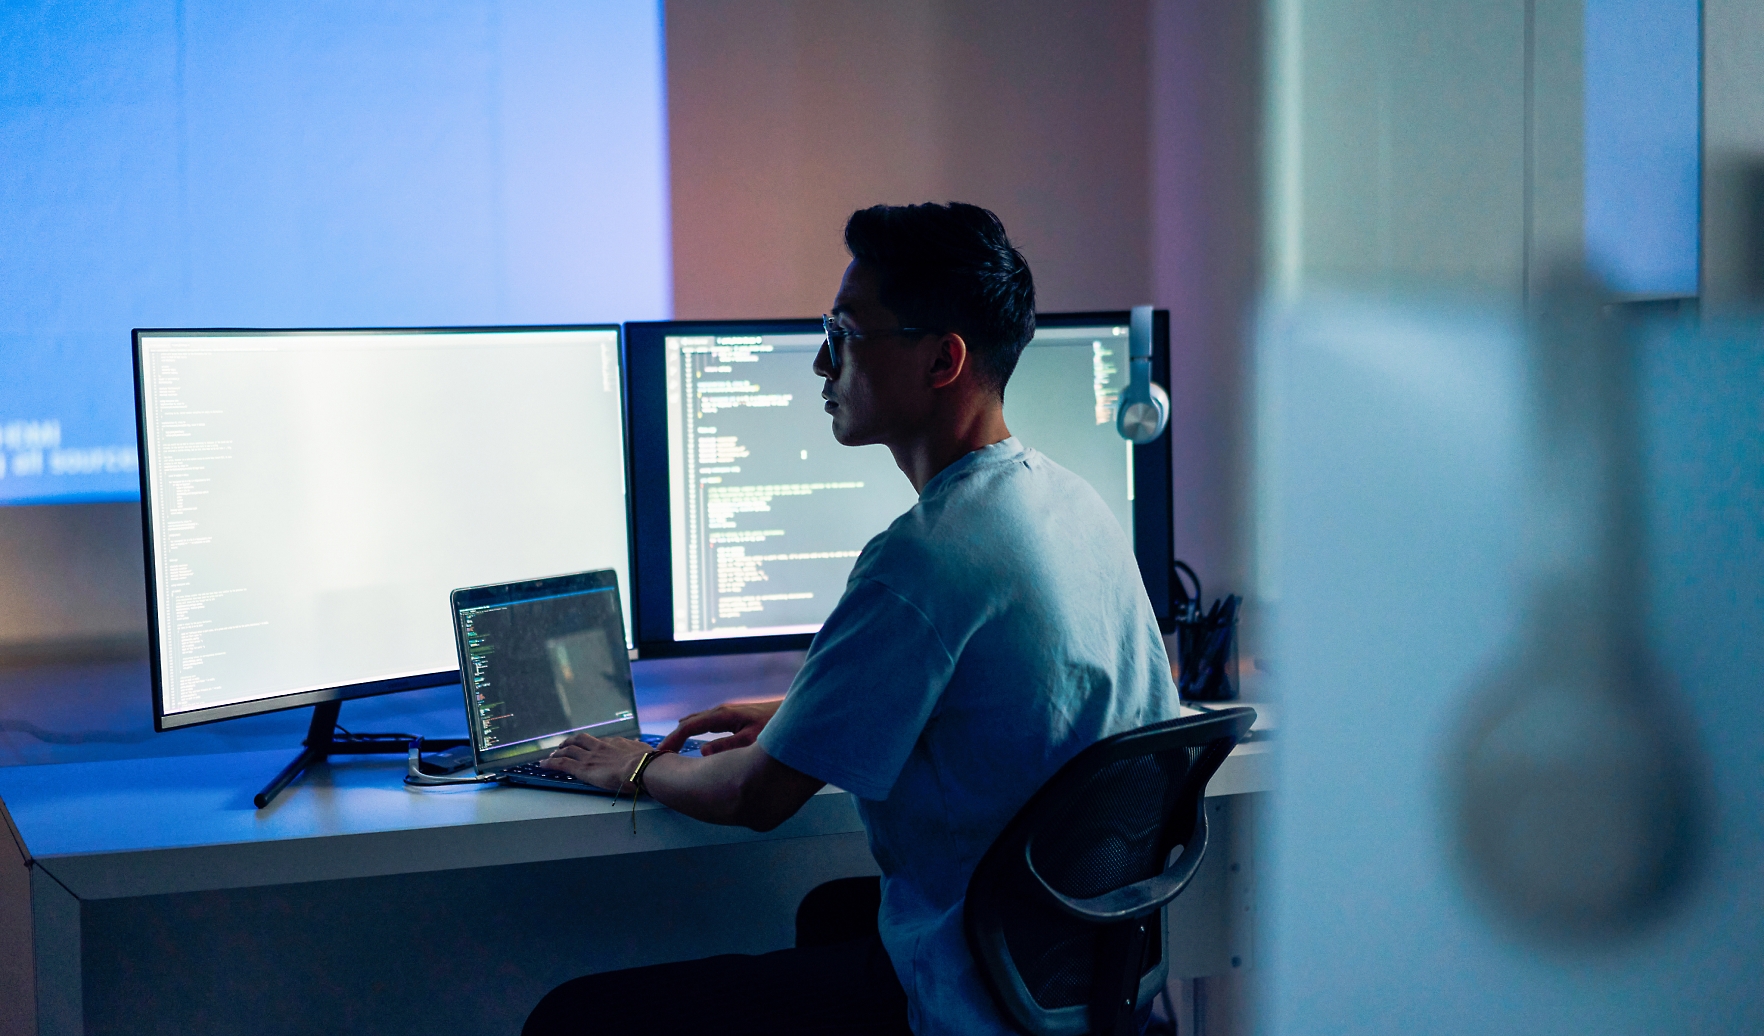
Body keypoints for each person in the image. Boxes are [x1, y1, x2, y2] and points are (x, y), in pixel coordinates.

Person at [524, 202, 1179, 1035]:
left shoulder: (926, 556)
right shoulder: (1070, 501)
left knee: (573, 1019)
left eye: (844, 332)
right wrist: (798, 715)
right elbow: (1011, 698)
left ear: (943, 360)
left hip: (976, 999)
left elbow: (757, 796)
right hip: (1075, 976)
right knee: (834, 915)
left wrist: (634, 767)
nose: (819, 362)